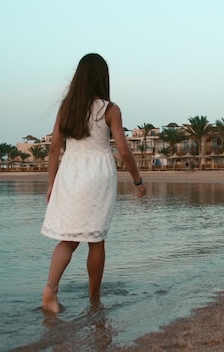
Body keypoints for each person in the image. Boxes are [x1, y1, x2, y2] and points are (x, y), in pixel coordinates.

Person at [40, 53, 146, 313]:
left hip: (69, 172)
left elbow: (54, 148)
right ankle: (94, 299)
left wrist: (51, 183)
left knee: (68, 238)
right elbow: (123, 150)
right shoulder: (110, 110)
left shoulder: (67, 108)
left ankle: (50, 290)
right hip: (97, 174)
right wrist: (138, 180)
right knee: (96, 240)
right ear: (102, 77)